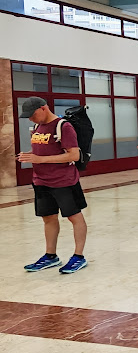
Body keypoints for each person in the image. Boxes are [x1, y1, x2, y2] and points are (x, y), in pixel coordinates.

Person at [17, 96, 89, 274]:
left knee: (74, 217)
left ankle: (79, 256)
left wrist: (39, 159)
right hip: (41, 181)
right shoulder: (37, 127)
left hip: (64, 181)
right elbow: (43, 151)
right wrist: (29, 156)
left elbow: (73, 155)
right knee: (48, 218)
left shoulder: (63, 127)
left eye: (32, 114)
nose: (30, 119)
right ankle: (51, 256)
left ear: (43, 108)